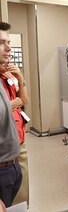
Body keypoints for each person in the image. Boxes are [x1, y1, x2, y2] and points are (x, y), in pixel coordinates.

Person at [0, 62, 30, 206]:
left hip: (19, 141)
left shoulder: (8, 76)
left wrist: (19, 76)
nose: (6, 63)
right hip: (5, 149)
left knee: (22, 197)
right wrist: (13, 103)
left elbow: (24, 100)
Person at [0, 22, 22, 207]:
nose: (8, 47)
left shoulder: (5, 78)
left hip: (12, 164)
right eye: (1, 42)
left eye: (8, 41)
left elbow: (24, 100)